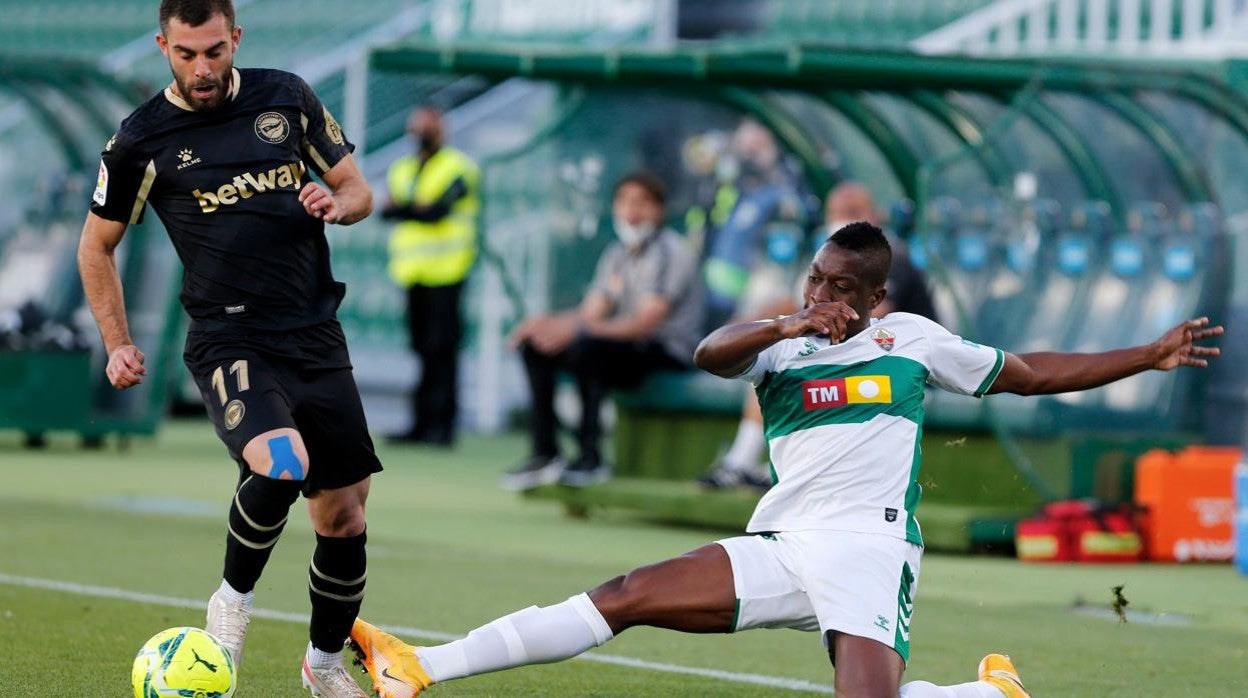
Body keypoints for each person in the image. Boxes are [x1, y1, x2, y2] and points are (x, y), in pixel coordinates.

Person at [347, 222, 1222, 698]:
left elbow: (1029, 375)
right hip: (782, 540)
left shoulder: (910, 340)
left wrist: (1146, 354)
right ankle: (422, 665)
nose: (824, 295)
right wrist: (789, 321)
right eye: (816, 278)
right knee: (626, 595)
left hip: (871, 550)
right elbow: (708, 354)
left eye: (841, 287)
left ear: (876, 297)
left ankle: (988, 695)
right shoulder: (781, 339)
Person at [78, 2, 377, 695]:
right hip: (228, 336)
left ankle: (324, 664)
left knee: (344, 515)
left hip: (313, 331)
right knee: (279, 464)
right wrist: (117, 343)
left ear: (235, 37)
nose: (203, 68)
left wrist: (340, 205)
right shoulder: (140, 141)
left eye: (214, 50)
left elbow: (357, 189)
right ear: (163, 47)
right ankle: (231, 607)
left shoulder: (287, 99)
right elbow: (96, 245)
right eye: (186, 54)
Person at [700, 181, 939, 490]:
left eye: (852, 212)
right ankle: (743, 462)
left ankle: (765, 466)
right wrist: (750, 325)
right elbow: (799, 307)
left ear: (875, 216)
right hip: (854, 356)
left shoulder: (891, 258)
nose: (843, 221)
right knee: (778, 362)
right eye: (836, 213)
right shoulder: (828, 257)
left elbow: (868, 317)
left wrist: (804, 323)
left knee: (797, 366)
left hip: (898, 362)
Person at [502, 172, 704, 489]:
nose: (631, 211)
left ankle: (590, 459)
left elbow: (645, 323)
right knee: (536, 345)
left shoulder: (672, 251)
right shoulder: (616, 254)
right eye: (623, 202)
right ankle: (545, 453)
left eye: (641, 203)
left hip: (666, 351)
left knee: (588, 347)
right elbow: (590, 313)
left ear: (659, 210)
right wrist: (545, 325)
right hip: (619, 349)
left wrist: (579, 331)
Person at [383, 106, 480, 446]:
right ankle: (421, 424)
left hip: (448, 272)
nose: (422, 131)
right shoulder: (402, 168)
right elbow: (387, 210)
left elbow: (436, 211)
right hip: (413, 274)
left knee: (443, 350)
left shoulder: (459, 167)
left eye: (428, 124)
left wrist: (407, 209)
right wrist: (413, 210)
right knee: (422, 349)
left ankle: (443, 426)